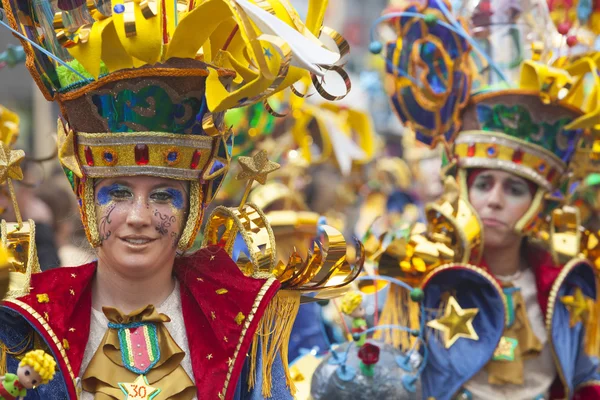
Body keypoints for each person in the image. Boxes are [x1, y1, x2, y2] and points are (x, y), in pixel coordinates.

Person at [0, 0, 353, 399]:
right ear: (85, 199)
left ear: (194, 205)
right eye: (117, 192)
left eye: (164, 196)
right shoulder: (27, 322)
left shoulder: (243, 319)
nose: (139, 216)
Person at [373, 0, 600, 398]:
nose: (494, 201)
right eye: (483, 184)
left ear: (538, 204)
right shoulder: (418, 278)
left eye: (514, 189)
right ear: (462, 189)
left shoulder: (570, 283)